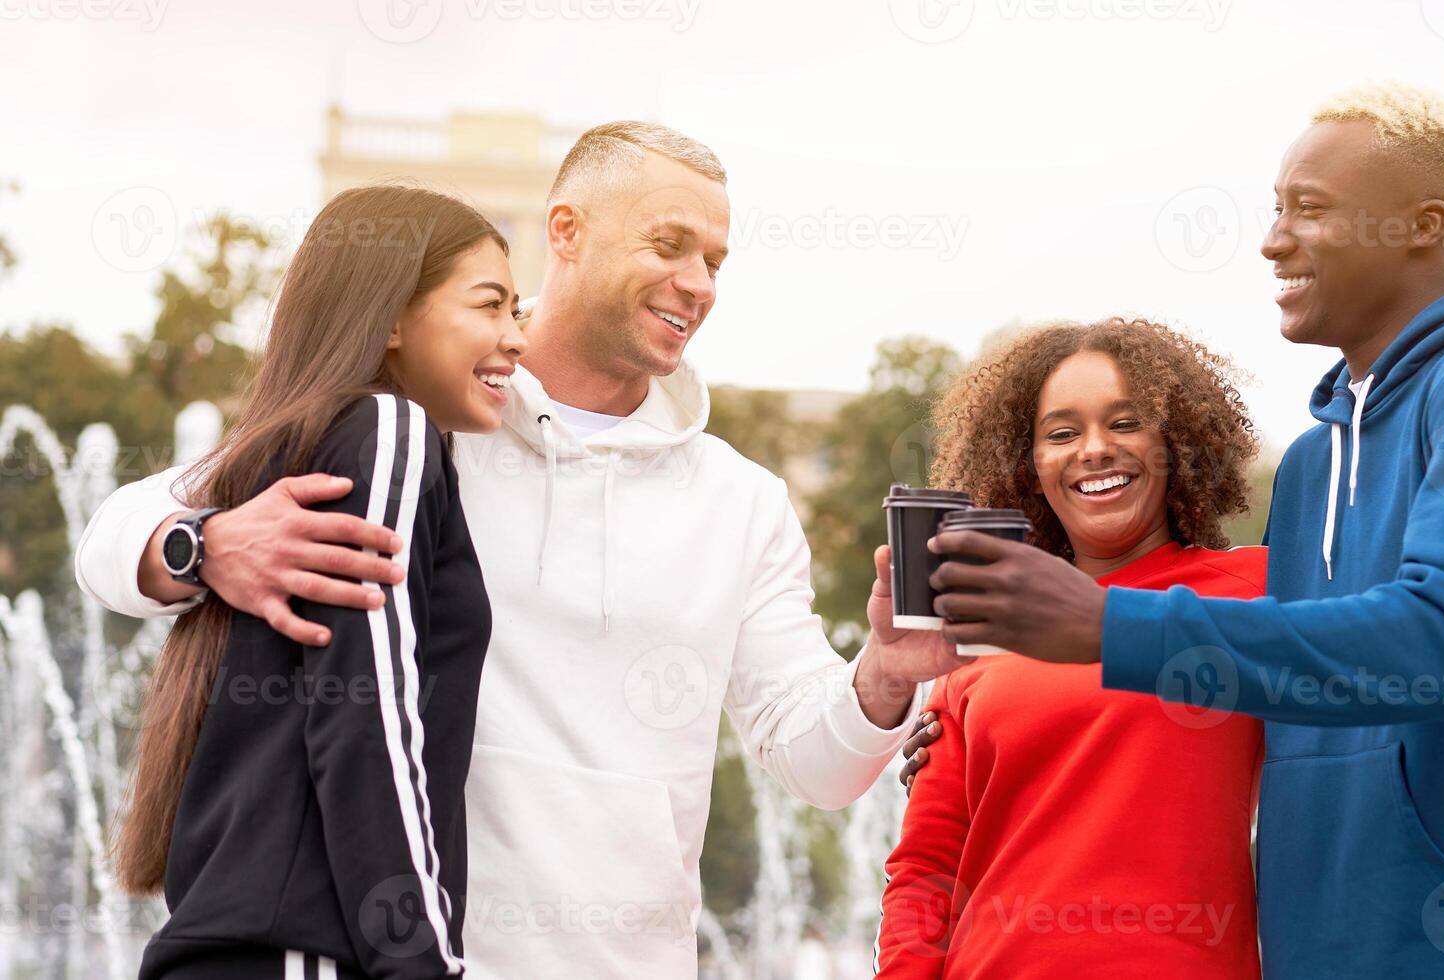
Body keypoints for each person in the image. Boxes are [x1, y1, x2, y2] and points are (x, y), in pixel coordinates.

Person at [79, 123, 964, 978]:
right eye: (669, 245)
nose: (698, 283)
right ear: (567, 232)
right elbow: (114, 535)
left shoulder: (745, 501)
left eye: (716, 262)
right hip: (414, 955)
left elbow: (816, 767)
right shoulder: (420, 421)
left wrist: (884, 672)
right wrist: (204, 544)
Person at [921, 83, 1444, 978]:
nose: (1273, 240)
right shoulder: (1314, 463)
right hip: (1333, 947)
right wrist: (963, 723)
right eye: (1275, 211)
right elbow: (1287, 665)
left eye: (1308, 210)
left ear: (1423, 225)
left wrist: (1103, 627)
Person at [878, 318, 1444, 978]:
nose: (1093, 449)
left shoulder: (1268, 590)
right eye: (1061, 432)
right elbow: (924, 870)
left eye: (1125, 423)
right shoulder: (985, 637)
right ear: (1030, 463)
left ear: (1178, 445)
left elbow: (1409, 667)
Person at [119, 184, 527, 978]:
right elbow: (369, 716)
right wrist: (420, 961)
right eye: (490, 306)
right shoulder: (392, 430)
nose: (515, 338)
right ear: (392, 319)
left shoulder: (288, 451)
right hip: (308, 954)